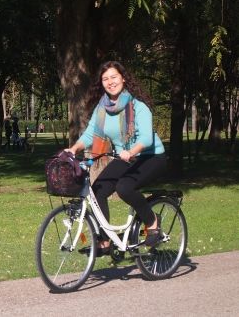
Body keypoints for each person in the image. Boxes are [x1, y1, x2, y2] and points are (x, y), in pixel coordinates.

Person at [65, 60, 166, 255]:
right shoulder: (102, 109)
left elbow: (145, 137)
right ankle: (105, 241)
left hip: (150, 156)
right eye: (105, 79)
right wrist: (74, 148)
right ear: (101, 83)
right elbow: (90, 134)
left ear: (123, 78)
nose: (110, 82)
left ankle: (152, 221)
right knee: (98, 189)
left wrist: (131, 151)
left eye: (114, 77)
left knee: (124, 187)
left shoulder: (139, 107)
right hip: (126, 157)